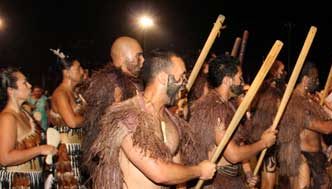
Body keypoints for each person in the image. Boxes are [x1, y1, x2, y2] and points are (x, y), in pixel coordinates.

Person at [84, 50, 216, 188]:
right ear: (163, 78)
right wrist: (199, 171)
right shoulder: (129, 117)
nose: (185, 83)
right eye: (181, 77)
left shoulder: (171, 120)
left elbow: (176, 168)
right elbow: (159, 173)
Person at [189, 55, 277, 188]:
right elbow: (233, 155)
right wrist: (264, 143)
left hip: (234, 180)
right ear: (227, 80)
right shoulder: (213, 108)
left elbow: (238, 141)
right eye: (239, 78)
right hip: (217, 183)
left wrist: (247, 171)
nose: (242, 82)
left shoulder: (230, 105)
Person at [278, 62, 332, 189]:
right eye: (315, 78)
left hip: (316, 157)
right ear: (305, 80)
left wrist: (325, 149)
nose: (318, 82)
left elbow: (314, 133)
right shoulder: (294, 102)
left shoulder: (310, 100)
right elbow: (325, 128)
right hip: (301, 158)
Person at [81, 36, 145, 175]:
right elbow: (101, 127)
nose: (143, 60)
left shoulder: (133, 82)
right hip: (113, 161)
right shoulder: (109, 83)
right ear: (122, 57)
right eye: (138, 56)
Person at [0, 68, 57, 188]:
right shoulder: (7, 118)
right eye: (24, 83)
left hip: (31, 181)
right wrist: (40, 150)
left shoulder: (24, 113)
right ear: (11, 91)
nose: (30, 85)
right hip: (14, 182)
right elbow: (5, 158)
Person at [48, 49, 86, 188]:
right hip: (66, 152)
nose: (82, 71)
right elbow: (72, 122)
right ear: (67, 72)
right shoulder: (60, 93)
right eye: (78, 68)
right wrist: (92, 117)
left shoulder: (75, 92)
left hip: (77, 149)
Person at [246, 60, 286, 189]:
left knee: (268, 175)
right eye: (281, 70)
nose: (283, 73)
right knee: (268, 180)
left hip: (262, 136)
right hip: (267, 136)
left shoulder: (265, 87)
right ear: (274, 72)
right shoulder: (269, 89)